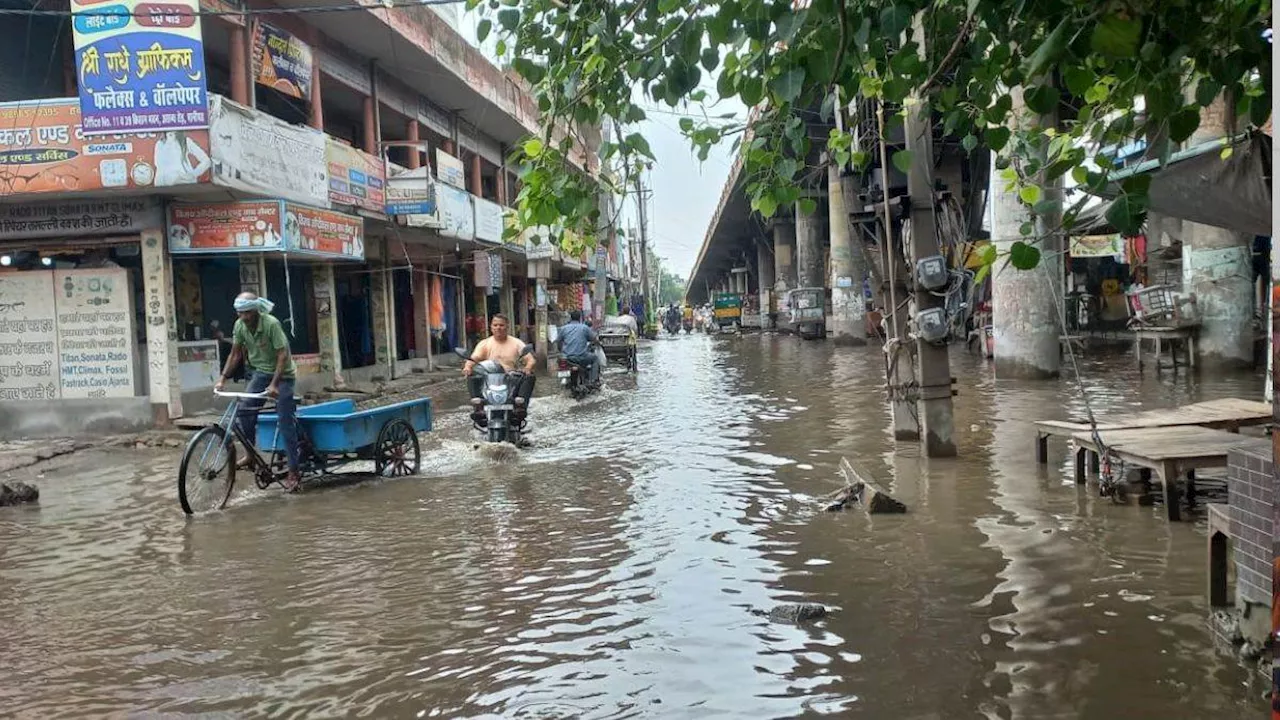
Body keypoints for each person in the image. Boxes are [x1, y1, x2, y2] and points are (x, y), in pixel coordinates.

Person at [214, 292, 301, 490]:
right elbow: (235, 354)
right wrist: (222, 379)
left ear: (256, 311)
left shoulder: (271, 324)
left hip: (283, 376)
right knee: (244, 413)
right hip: (260, 373)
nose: (244, 317)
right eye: (240, 313)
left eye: (247, 313)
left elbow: (282, 355)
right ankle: (250, 455)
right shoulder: (239, 326)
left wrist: (274, 385)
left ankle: (294, 471)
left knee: (285, 421)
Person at [463, 314, 537, 425]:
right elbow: (474, 359)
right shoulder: (485, 344)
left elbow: (530, 360)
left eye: (501, 325)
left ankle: (520, 407)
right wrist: (467, 367)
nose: (498, 328)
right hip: (490, 379)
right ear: (491, 327)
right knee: (472, 376)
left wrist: (527, 368)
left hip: (511, 378)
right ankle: (478, 407)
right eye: (495, 325)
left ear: (507, 327)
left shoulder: (516, 343)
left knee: (530, 376)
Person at [556, 310, 599, 382]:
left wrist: (561, 350)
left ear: (571, 318)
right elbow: (594, 339)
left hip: (568, 358)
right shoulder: (584, 328)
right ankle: (593, 380)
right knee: (595, 359)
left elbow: (558, 341)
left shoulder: (563, 328)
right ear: (580, 318)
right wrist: (597, 342)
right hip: (581, 357)